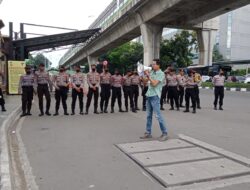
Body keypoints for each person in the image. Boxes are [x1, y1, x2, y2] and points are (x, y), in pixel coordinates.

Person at [140, 59, 168, 141]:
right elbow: (145, 82)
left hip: (155, 96)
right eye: (152, 64)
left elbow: (155, 84)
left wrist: (148, 76)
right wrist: (142, 75)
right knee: (149, 116)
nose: (152, 66)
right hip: (149, 95)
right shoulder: (151, 72)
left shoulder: (161, 73)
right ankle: (148, 133)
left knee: (158, 116)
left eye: (154, 64)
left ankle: (164, 133)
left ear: (158, 65)